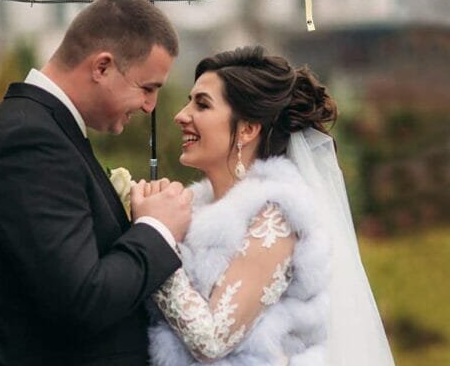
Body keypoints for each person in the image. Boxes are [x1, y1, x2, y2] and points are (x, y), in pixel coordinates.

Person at [0, 0, 193, 366]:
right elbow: (82, 299)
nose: (151, 106)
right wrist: (157, 230)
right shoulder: (28, 142)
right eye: (148, 88)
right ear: (102, 67)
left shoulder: (50, 130)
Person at [141, 46, 395, 365]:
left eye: (202, 104)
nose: (181, 115)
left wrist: (156, 238)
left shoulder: (276, 215)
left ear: (247, 129)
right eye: (188, 101)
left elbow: (211, 340)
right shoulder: (192, 206)